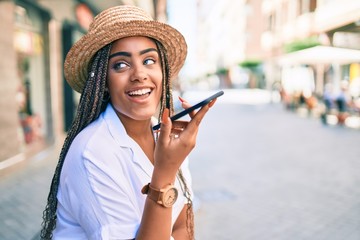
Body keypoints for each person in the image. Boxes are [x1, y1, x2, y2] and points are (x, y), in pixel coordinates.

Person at [40, 5, 217, 240]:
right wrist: (165, 172)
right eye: (120, 65)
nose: (139, 74)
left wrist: (172, 162)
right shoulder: (93, 153)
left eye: (149, 60)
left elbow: (181, 227)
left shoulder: (166, 138)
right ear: (104, 81)